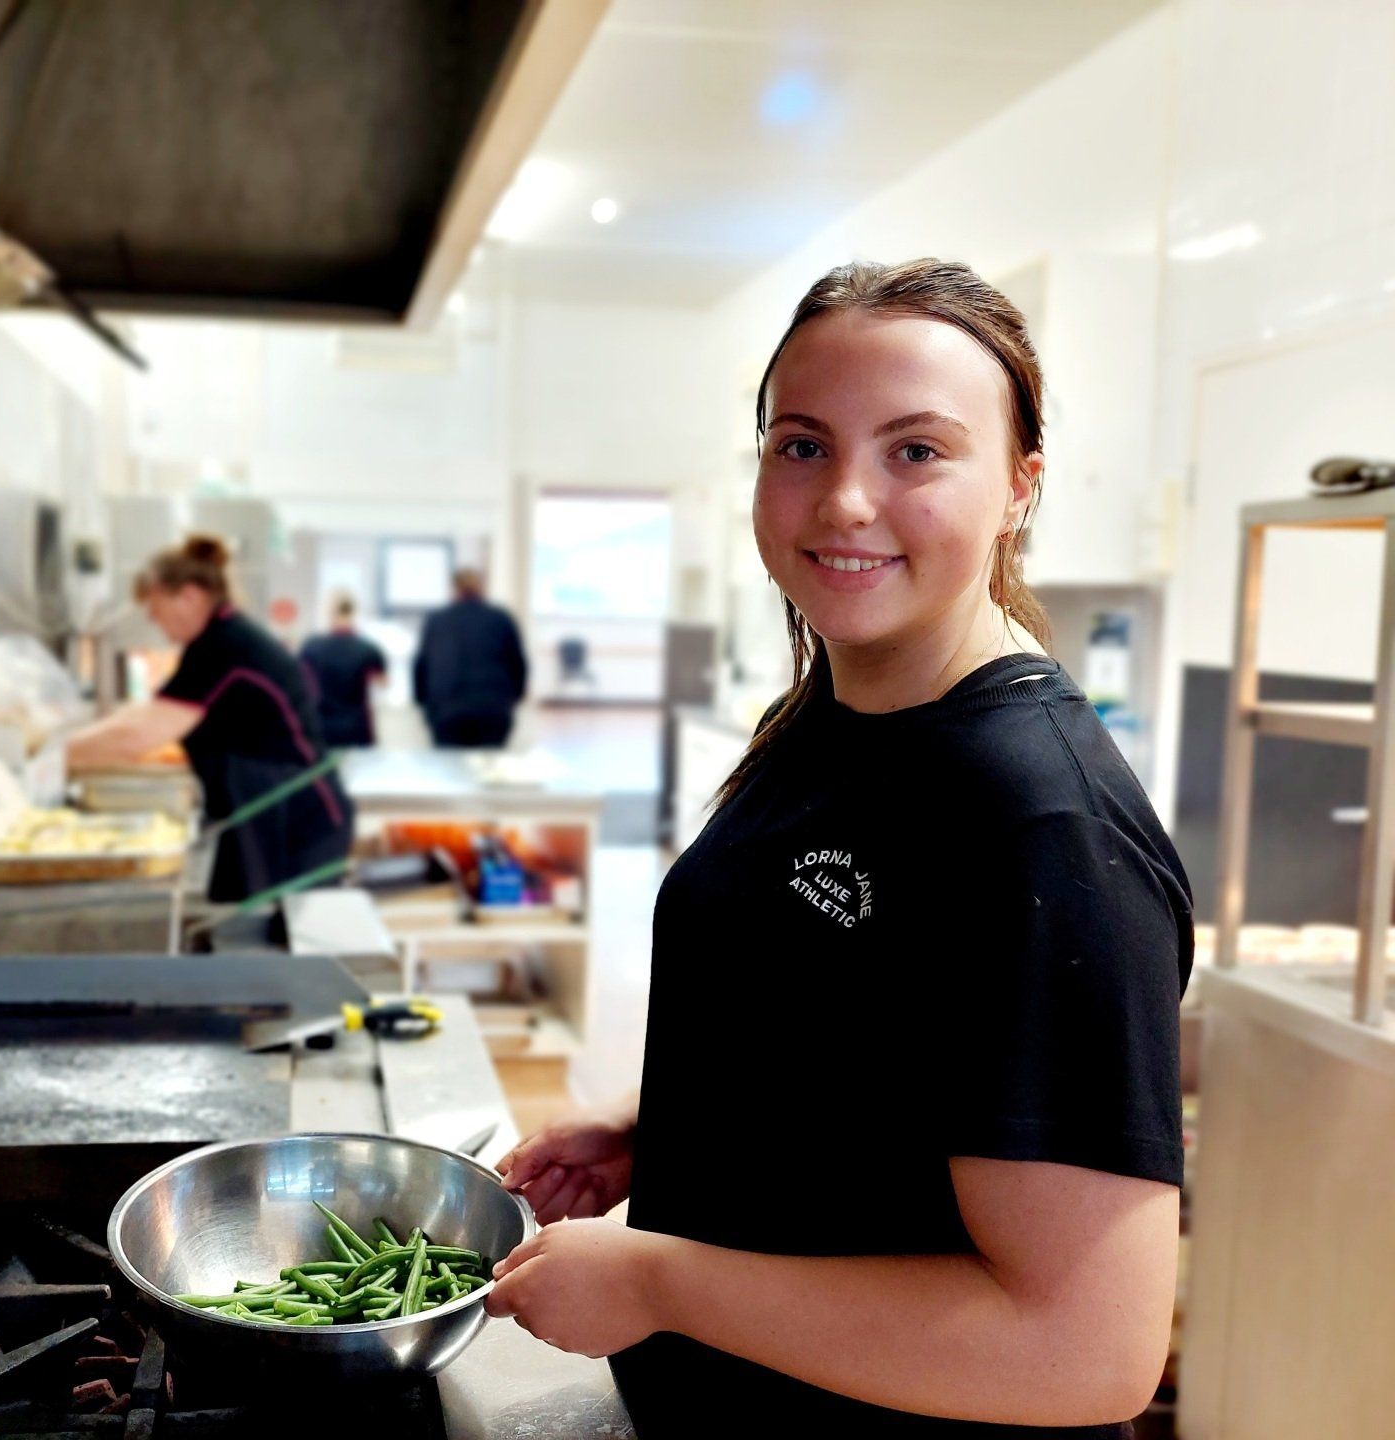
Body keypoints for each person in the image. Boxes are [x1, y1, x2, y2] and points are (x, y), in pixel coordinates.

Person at [487, 260, 1191, 1438]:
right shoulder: (833, 714)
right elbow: (872, 1050)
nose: (844, 502)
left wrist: (659, 1278)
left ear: (1019, 487)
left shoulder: (1041, 821)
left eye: (916, 451)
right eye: (803, 445)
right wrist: (665, 1131)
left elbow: (1085, 1349)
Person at [66, 535, 351, 902]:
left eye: (155, 608)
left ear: (188, 595)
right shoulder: (217, 639)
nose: (155, 622)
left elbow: (139, 734)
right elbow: (152, 714)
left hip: (296, 821)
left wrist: (52, 758)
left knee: (281, 947)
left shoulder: (225, 645)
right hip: (274, 811)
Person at [412, 568, 527, 748]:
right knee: (490, 768)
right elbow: (518, 663)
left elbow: (421, 665)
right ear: (482, 587)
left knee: (450, 769)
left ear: (454, 588)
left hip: (447, 709)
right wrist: (514, 697)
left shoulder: (437, 620)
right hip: (492, 708)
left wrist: (422, 702)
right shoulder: (500, 618)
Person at [299, 593, 388, 748]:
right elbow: (382, 683)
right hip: (357, 727)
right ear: (353, 612)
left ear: (329, 613)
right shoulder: (367, 649)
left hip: (322, 726)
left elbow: (300, 682)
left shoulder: (311, 646)